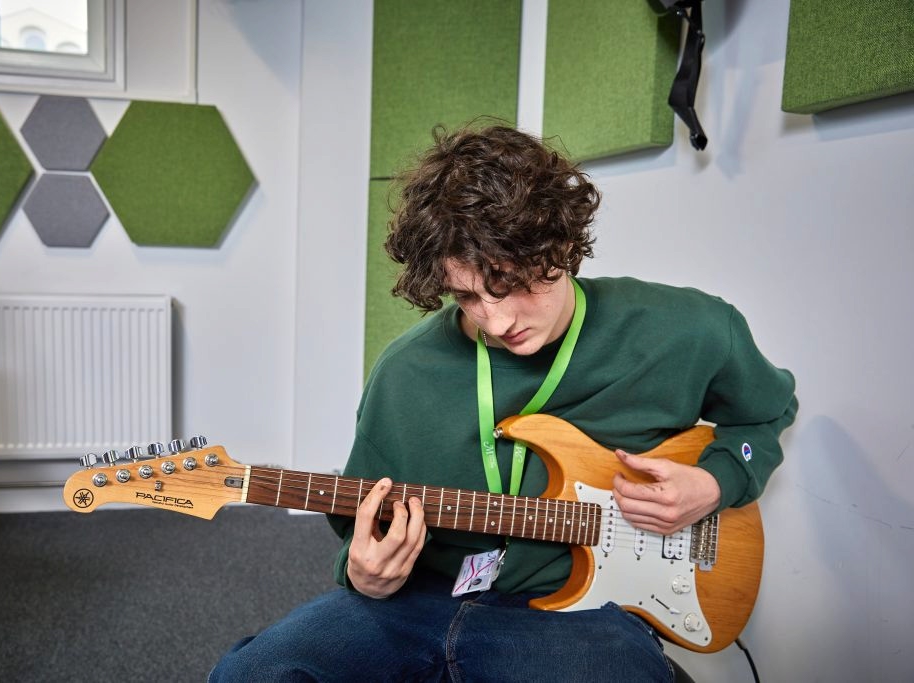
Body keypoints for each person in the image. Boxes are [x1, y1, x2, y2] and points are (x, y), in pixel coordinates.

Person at [209, 125, 798, 682]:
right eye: (467, 296)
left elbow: (763, 416)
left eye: (512, 283)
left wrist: (717, 482)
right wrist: (362, 573)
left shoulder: (687, 329)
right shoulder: (405, 371)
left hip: (578, 617)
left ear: (562, 245)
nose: (497, 319)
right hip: (418, 599)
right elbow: (358, 516)